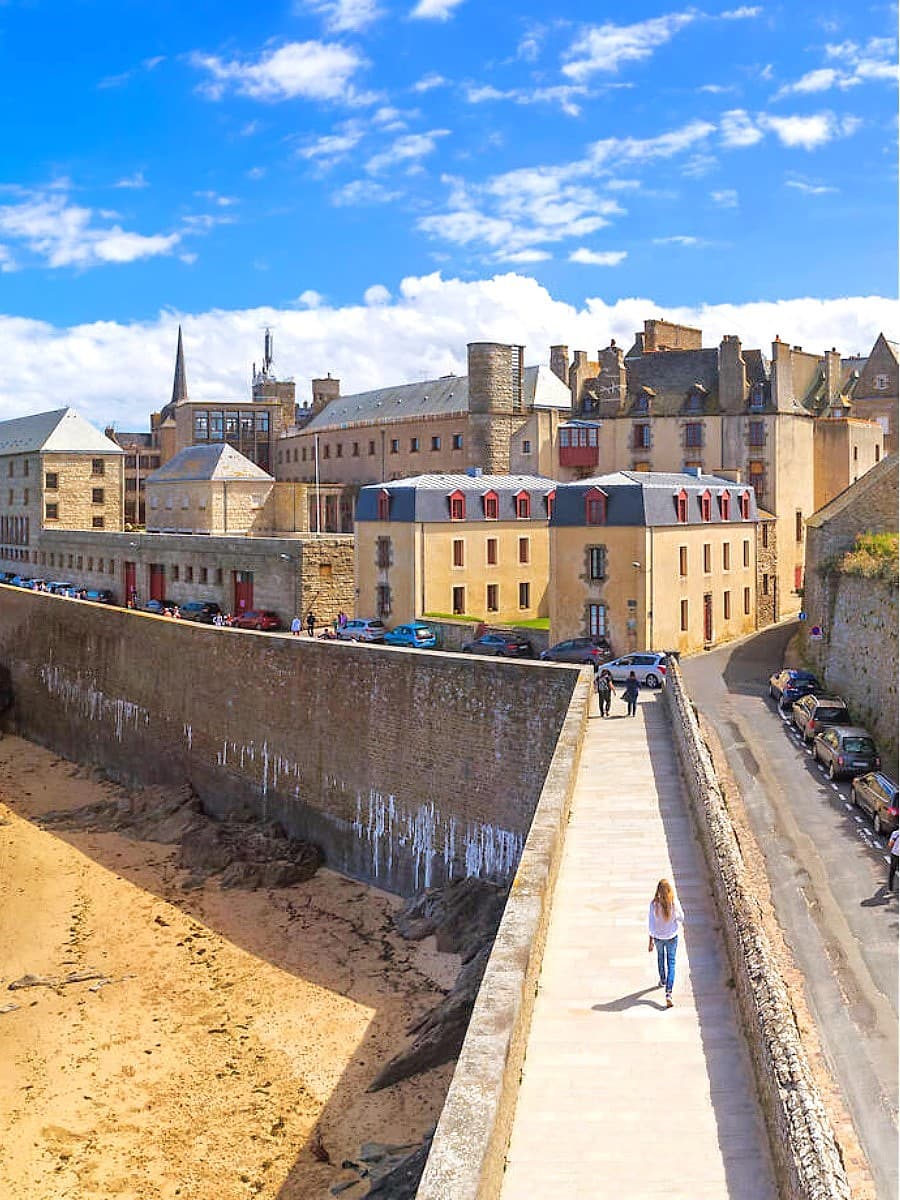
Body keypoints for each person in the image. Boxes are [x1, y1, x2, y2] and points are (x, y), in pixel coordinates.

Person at [648, 878, 685, 1008]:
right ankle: (668, 993)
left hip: (658, 937)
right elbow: (681, 917)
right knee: (671, 962)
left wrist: (650, 941)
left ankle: (662, 980)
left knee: (660, 957)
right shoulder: (673, 903)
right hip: (671, 937)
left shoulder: (654, 904)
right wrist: (673, 920)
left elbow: (651, 924)